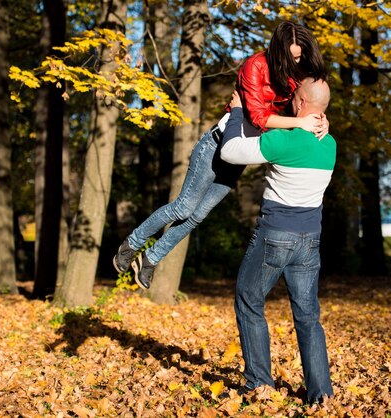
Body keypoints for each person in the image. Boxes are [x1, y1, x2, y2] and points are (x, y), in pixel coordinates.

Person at [112, 21, 329, 289]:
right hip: (216, 145)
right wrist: (299, 123)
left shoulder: (294, 75)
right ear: (278, 50)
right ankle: (130, 244)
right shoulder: (255, 66)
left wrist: (320, 119)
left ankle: (151, 258)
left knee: (198, 215)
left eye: (299, 56)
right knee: (184, 206)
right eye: (292, 56)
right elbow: (259, 118)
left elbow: (308, 100)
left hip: (239, 153)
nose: (296, 61)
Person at [220, 78, 335, 404]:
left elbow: (230, 152)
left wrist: (238, 112)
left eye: (293, 99)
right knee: (308, 317)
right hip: (310, 241)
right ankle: (321, 394)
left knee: (248, 298)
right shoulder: (330, 145)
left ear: (299, 103)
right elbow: (316, 120)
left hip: (275, 236)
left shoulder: (284, 142)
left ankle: (259, 383)